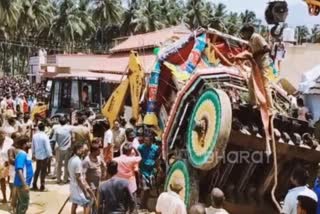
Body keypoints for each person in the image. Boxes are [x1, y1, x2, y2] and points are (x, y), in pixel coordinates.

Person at [238, 24, 274, 110]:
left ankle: (270, 108)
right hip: (256, 65)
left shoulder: (257, 37)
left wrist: (256, 53)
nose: (243, 35)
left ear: (248, 32)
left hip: (263, 65)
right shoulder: (250, 40)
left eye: (244, 33)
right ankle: (253, 103)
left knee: (265, 86)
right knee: (251, 83)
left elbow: (267, 48)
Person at [68, 143, 94, 214]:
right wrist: (85, 191)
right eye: (83, 149)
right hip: (78, 187)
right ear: (78, 150)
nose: (84, 151)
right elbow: (78, 178)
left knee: (75, 203)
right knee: (87, 203)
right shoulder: (78, 161)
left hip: (73, 186)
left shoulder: (71, 159)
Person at [138, 129, 160, 209]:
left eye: (147, 140)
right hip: (143, 171)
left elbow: (158, 159)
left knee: (150, 189)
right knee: (145, 189)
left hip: (152, 172)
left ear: (151, 140)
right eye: (145, 140)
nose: (146, 142)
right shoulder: (140, 148)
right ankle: (142, 205)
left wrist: (157, 168)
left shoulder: (156, 148)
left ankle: (145, 204)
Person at [14, 135, 34, 214]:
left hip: (23, 183)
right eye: (28, 142)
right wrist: (25, 184)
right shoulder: (22, 154)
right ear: (24, 144)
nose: (30, 143)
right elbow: (19, 170)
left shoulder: (24, 153)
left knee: (21, 203)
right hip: (22, 184)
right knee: (24, 204)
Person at [31, 123, 52, 191]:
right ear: (44, 128)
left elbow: (33, 146)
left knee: (37, 170)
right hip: (44, 155)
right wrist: (50, 155)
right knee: (43, 171)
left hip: (37, 155)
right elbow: (47, 147)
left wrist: (33, 154)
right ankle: (42, 186)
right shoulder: (45, 136)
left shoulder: (34, 136)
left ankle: (34, 184)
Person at [51, 116, 72, 184]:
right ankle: (65, 179)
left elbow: (54, 140)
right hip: (67, 149)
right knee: (66, 165)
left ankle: (58, 179)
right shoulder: (69, 128)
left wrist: (53, 149)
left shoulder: (57, 129)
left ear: (59, 122)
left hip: (59, 148)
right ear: (66, 121)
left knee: (59, 164)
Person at [0, 131, 13, 203]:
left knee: (10, 181)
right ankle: (4, 197)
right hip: (0, 164)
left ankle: (11, 197)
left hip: (9, 163)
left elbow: (12, 151)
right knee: (2, 181)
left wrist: (9, 161)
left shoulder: (9, 141)